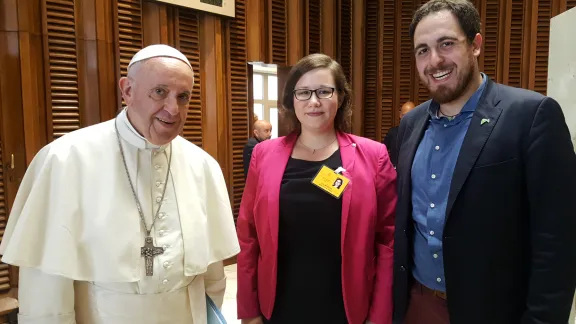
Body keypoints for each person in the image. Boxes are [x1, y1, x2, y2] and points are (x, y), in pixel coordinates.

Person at [0, 44, 240, 323]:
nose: (173, 109)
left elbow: (211, 273)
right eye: (159, 92)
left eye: (183, 96)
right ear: (127, 90)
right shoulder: (66, 159)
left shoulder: (202, 164)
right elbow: (46, 280)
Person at [392, 1, 576, 324]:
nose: (434, 60)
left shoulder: (532, 116)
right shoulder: (411, 124)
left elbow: (558, 243)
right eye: (422, 50)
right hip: (417, 306)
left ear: (475, 45)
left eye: (446, 44)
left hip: (494, 310)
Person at [236, 53, 397, 324]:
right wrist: (249, 310)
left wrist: (379, 316)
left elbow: (388, 242)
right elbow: (248, 236)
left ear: (340, 97)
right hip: (279, 304)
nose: (313, 101)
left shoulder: (373, 155)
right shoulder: (263, 155)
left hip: (347, 307)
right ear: (291, 99)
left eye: (324, 91)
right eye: (303, 92)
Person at [382, 101, 415, 168]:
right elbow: (382, 151)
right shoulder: (392, 132)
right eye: (404, 115)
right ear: (400, 115)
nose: (407, 119)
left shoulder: (421, 133)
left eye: (411, 115)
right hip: (395, 172)